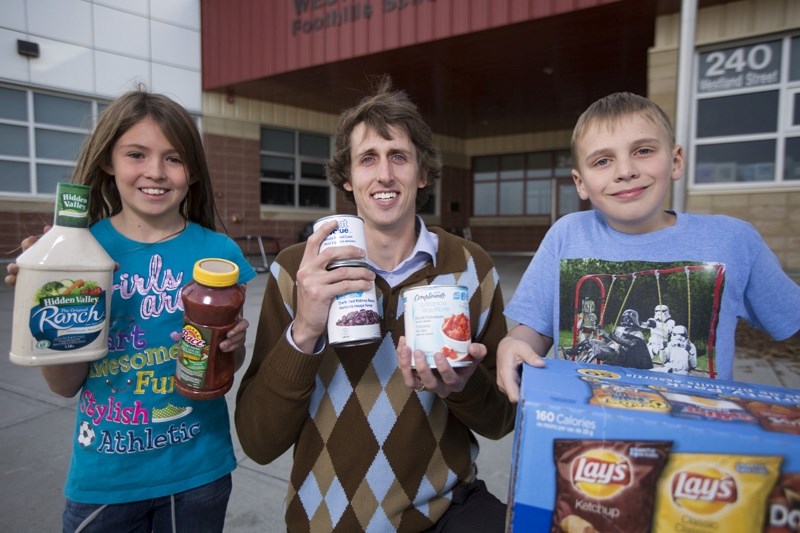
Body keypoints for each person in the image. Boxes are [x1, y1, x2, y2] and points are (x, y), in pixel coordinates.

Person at [235, 75, 514, 532]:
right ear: (347, 177)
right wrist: (304, 330)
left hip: (446, 511)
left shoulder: (470, 265)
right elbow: (258, 442)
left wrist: (461, 385)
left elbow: (502, 419)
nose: (384, 175)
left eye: (399, 156)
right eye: (368, 159)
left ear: (423, 173)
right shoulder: (296, 272)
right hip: (327, 520)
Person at [5, 89, 256, 532]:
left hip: (199, 469)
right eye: (136, 154)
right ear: (108, 161)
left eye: (174, 159)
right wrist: (42, 304)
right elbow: (65, 386)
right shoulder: (82, 252)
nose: (155, 173)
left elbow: (223, 369)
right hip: (105, 475)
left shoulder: (219, 253)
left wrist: (231, 346)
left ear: (193, 171)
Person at [497, 91, 800, 402]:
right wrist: (513, 344)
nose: (625, 171)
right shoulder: (566, 235)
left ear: (676, 161)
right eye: (603, 160)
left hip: (694, 431)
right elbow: (536, 330)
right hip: (586, 428)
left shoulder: (734, 240)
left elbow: (790, 318)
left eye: (643, 151)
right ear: (581, 183)